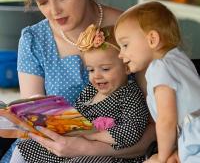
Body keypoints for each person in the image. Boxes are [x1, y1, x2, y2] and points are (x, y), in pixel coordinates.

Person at [0, 0, 156, 162]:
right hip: (50, 152)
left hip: (118, 153)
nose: (54, 11)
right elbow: (36, 129)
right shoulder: (34, 40)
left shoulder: (130, 31)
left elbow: (156, 127)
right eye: (43, 2)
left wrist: (88, 148)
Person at [10, 25, 149, 162]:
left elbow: (132, 131)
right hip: (75, 142)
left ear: (126, 67)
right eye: (91, 70)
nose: (97, 76)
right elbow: (75, 115)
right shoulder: (91, 90)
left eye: (105, 69)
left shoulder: (130, 94)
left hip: (107, 153)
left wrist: (93, 136)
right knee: (26, 147)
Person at [114, 1, 200, 163]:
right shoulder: (180, 59)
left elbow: (167, 120)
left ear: (152, 39)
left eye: (125, 45)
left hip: (194, 138)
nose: (120, 54)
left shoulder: (159, 68)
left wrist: (162, 157)